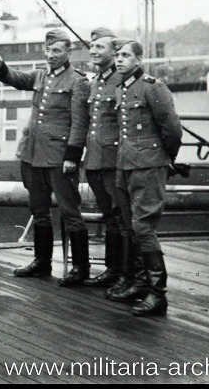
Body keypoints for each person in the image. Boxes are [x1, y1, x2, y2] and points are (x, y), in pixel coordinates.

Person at [0, 29, 91, 286]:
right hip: (32, 154)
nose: (50, 55)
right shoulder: (40, 75)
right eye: (48, 49)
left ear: (68, 52)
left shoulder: (78, 81)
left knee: (69, 211)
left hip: (58, 158)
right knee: (38, 210)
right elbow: (16, 78)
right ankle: (42, 262)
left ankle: (80, 267)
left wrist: (72, 156)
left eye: (56, 50)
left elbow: (79, 123)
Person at [108, 39, 182, 316]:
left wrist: (165, 159)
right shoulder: (121, 88)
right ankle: (139, 284)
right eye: (117, 55)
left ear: (138, 60)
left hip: (149, 166)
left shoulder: (153, 87)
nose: (119, 60)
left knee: (144, 227)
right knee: (130, 225)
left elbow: (172, 130)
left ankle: (157, 294)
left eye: (126, 55)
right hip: (125, 164)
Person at [79, 28, 127, 290]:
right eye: (92, 46)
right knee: (110, 216)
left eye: (100, 47)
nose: (94, 51)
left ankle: (125, 273)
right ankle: (113, 269)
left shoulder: (121, 80)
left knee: (121, 217)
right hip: (95, 159)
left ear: (114, 53)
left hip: (114, 160)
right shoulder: (96, 81)